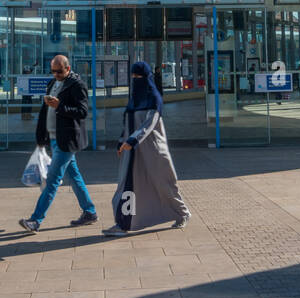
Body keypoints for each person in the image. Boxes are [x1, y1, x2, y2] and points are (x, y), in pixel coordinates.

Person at [104, 60, 189, 237]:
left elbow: (150, 123)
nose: (135, 79)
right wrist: (122, 142)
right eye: (133, 76)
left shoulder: (154, 98)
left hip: (153, 150)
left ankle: (182, 213)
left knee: (165, 185)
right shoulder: (134, 99)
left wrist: (132, 140)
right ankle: (122, 223)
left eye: (138, 76)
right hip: (133, 152)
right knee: (126, 187)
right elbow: (127, 123)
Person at [20, 54, 98, 232]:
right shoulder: (52, 83)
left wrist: (60, 106)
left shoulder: (77, 85)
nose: (55, 74)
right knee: (75, 177)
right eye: (53, 71)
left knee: (52, 180)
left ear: (68, 69)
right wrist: (41, 136)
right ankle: (90, 211)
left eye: (59, 71)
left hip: (67, 140)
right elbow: (44, 111)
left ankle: (35, 220)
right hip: (54, 138)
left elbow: (83, 111)